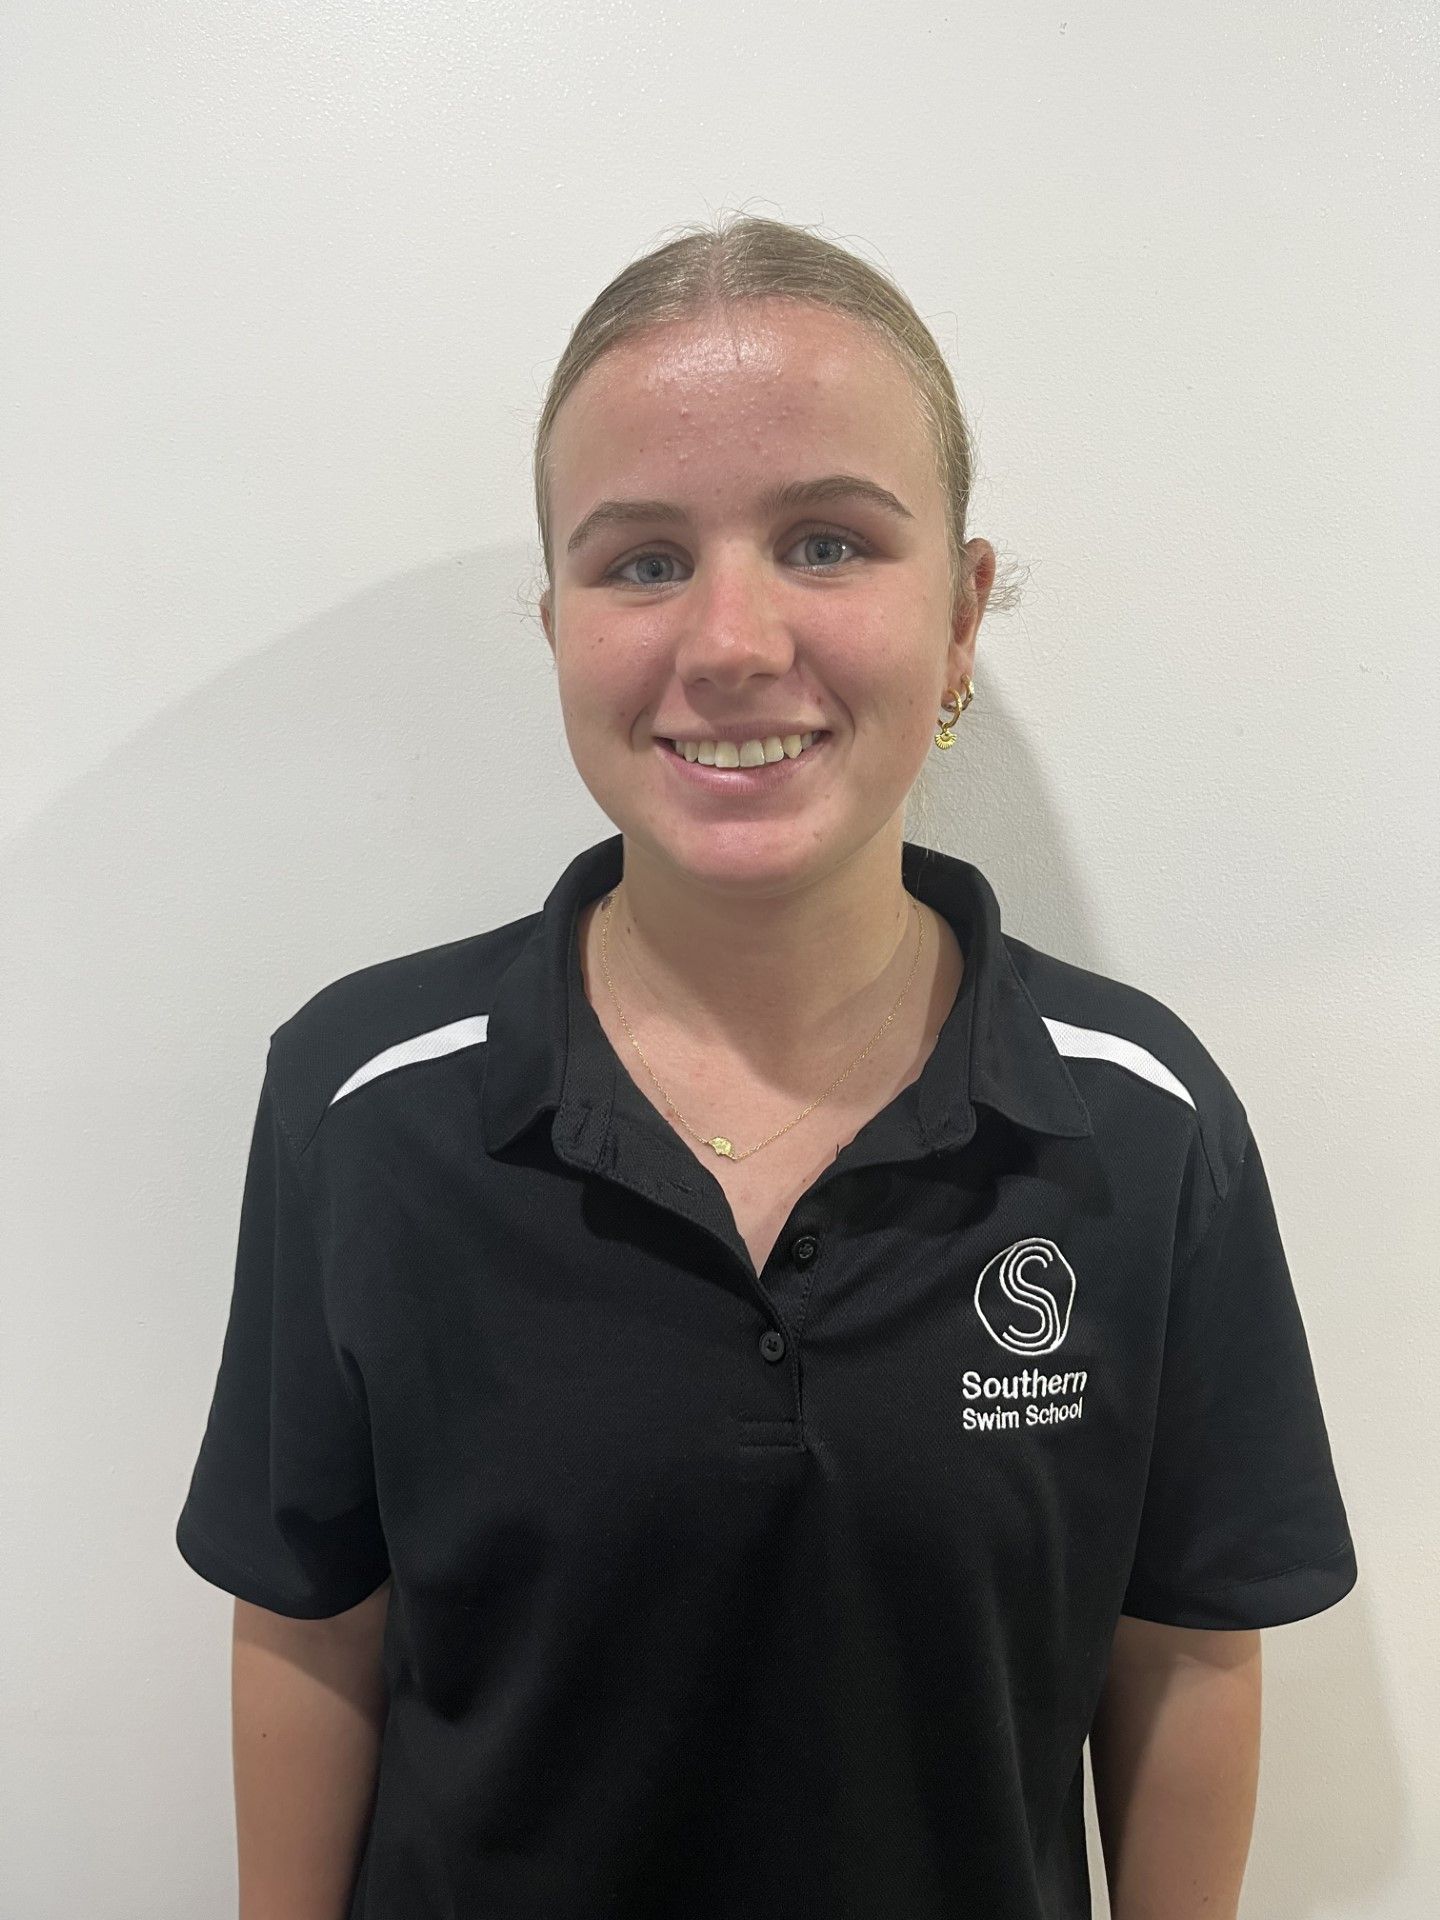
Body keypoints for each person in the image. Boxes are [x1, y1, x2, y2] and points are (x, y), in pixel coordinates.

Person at [176, 213, 1358, 1920]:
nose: (728, 640)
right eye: (642, 560)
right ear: (558, 622)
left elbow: (1184, 1655)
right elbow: (308, 1622)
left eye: (824, 541)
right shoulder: (365, 1102)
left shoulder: (1143, 1123)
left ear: (960, 618)